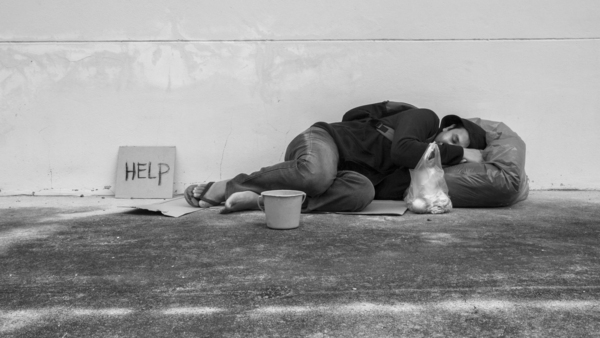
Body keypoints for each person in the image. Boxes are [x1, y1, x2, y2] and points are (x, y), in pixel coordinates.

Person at [184, 101, 487, 213]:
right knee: (316, 174)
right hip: (323, 141)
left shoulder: (419, 171)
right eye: (455, 138)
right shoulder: (425, 119)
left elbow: (381, 190)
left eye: (457, 146)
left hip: (339, 175)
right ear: (448, 127)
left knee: (362, 193)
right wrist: (462, 153)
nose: (451, 145)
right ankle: (233, 185)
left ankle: (263, 200)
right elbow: (402, 149)